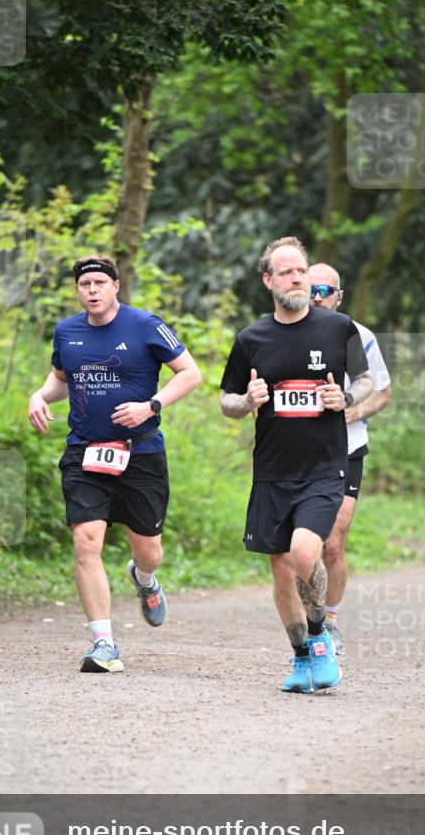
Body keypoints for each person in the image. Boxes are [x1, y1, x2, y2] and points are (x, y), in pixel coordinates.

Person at [28, 254, 202, 675]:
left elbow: (190, 373)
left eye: (99, 283)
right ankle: (103, 643)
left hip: (140, 452)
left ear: (115, 287)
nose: (91, 290)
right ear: (77, 290)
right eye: (84, 284)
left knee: (150, 551)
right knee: (86, 541)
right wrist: (39, 395)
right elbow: (60, 380)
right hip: (84, 452)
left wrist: (151, 406)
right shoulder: (66, 331)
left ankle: (144, 579)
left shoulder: (145, 325)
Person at [220, 237, 372, 694]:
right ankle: (301, 657)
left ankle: (320, 637)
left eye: (301, 270)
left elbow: (365, 381)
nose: (296, 278)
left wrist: (343, 397)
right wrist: (246, 400)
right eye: (285, 272)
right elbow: (225, 401)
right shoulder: (251, 339)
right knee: (281, 570)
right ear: (268, 280)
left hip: (325, 467)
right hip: (271, 471)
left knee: (306, 552)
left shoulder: (339, 328)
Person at [308, 263, 392, 655]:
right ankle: (309, 622)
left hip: (347, 448)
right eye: (310, 288)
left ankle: (331, 621)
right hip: (298, 453)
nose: (317, 296)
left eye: (325, 290)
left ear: (339, 296)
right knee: (301, 545)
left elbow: (382, 392)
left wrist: (349, 414)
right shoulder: (283, 333)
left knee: (333, 542)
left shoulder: (359, 336)